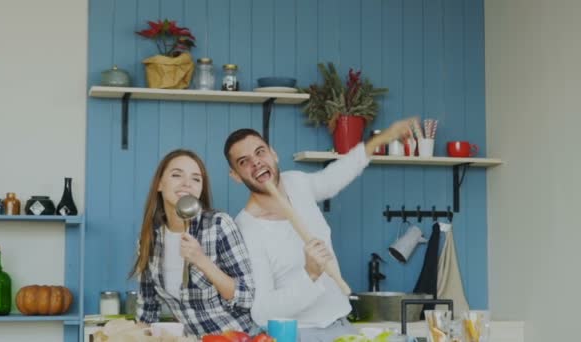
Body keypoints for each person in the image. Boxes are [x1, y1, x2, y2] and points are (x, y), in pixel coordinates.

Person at [223, 118, 415, 341]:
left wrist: (382, 138)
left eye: (260, 152)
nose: (256, 162)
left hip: (341, 324)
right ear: (235, 176)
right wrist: (310, 274)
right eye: (244, 162)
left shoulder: (296, 183)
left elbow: (334, 176)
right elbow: (262, 312)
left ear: (273, 153)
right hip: (299, 333)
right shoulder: (247, 229)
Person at [130, 149, 258, 337]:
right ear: (159, 184)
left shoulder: (219, 225)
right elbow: (148, 311)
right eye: (176, 175)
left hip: (238, 338)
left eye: (196, 179)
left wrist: (201, 261)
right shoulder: (150, 239)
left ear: (200, 189)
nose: (187, 184)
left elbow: (246, 298)